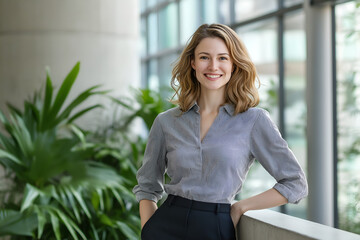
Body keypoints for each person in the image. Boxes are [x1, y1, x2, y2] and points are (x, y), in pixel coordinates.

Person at [132, 23, 308, 240]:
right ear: (193, 63)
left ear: (234, 65)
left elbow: (295, 183)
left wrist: (239, 208)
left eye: (223, 58)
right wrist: (148, 229)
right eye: (205, 57)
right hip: (165, 226)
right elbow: (147, 186)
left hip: (215, 226)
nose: (213, 66)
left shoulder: (254, 120)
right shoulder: (166, 122)